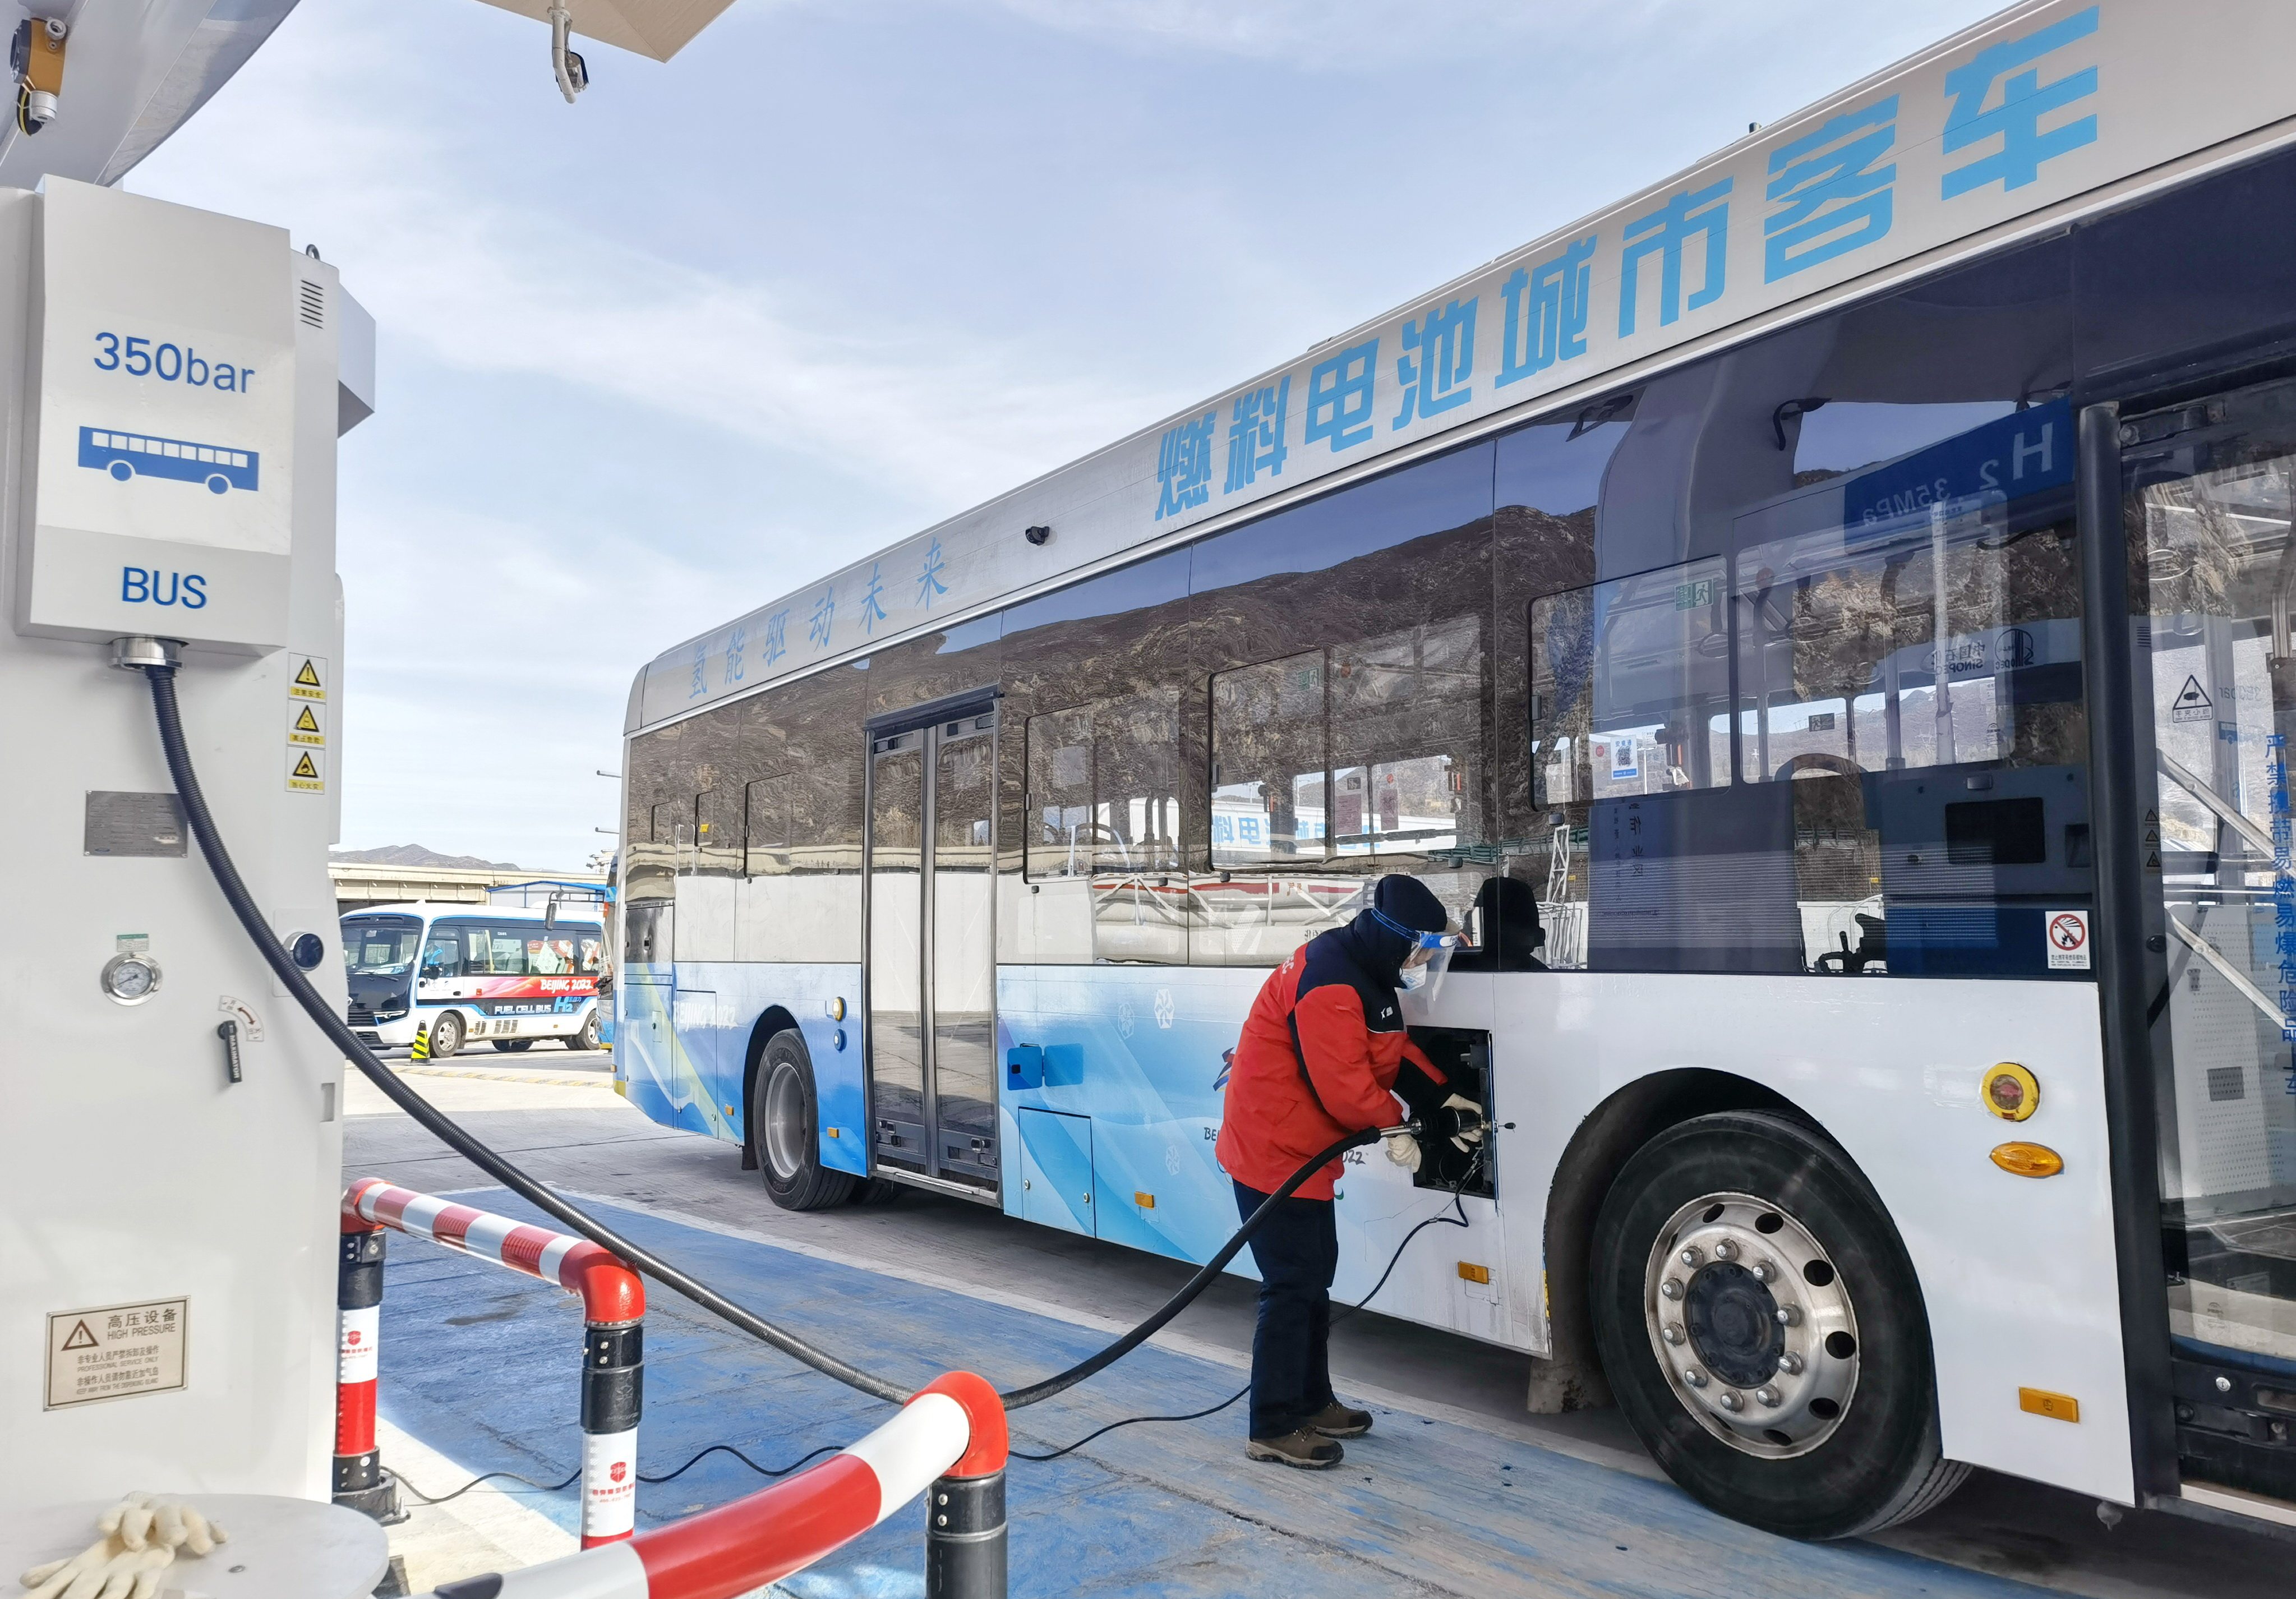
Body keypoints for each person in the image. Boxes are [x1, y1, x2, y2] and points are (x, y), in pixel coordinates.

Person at [1213, 874, 1483, 1468]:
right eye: (1417, 951)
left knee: (1315, 1275)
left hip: (1301, 1150)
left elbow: (1389, 1048)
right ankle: (1273, 1423)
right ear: (1393, 941)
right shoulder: (1330, 983)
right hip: (1272, 1150)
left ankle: (1312, 1400)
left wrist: (1442, 1098)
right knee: (1290, 1282)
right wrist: (1395, 1127)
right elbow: (1342, 1083)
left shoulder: (1361, 969)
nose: (1418, 964)